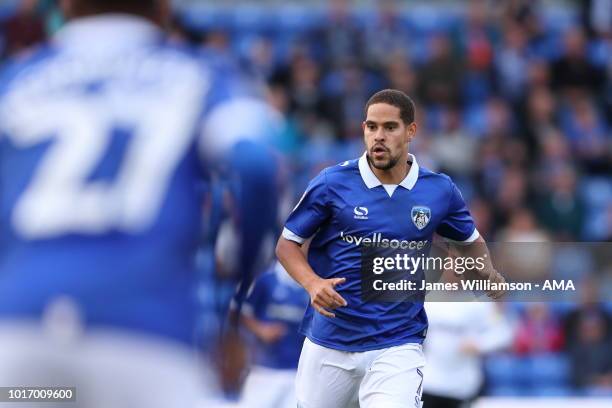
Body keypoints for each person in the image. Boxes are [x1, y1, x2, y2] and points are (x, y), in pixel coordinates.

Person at [0, 0, 279, 407]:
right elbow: (256, 168)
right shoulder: (201, 74)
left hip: (24, 339)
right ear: (164, 7)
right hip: (147, 339)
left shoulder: (17, 79)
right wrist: (237, 305)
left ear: (65, 5)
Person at [275, 89, 505, 408]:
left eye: (389, 127)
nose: (378, 136)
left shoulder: (439, 191)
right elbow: (287, 244)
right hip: (331, 340)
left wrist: (488, 275)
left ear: (411, 131)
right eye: (371, 127)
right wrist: (312, 283)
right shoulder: (332, 182)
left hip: (397, 342)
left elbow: (470, 243)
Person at [238, 260, 310, 408]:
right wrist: (261, 330)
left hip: (297, 374)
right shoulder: (265, 280)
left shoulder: (311, 285)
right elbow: (240, 313)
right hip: (264, 370)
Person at [422, 302, 513, 408]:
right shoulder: (428, 302)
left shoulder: (481, 304)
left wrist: (480, 344)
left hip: (463, 385)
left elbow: (502, 332)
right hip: (429, 382)